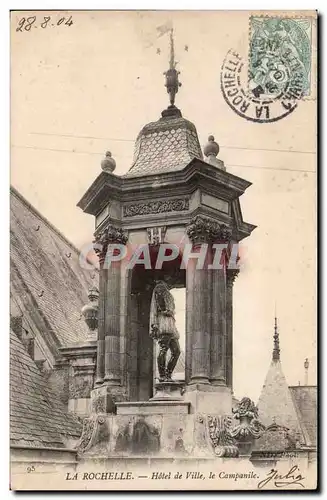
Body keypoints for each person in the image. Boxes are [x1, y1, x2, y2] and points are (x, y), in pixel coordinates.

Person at [150, 280, 181, 382]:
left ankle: (168, 374)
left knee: (176, 351)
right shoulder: (160, 288)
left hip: (170, 324)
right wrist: (167, 312)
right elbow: (160, 307)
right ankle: (163, 375)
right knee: (164, 348)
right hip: (164, 323)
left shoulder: (165, 290)